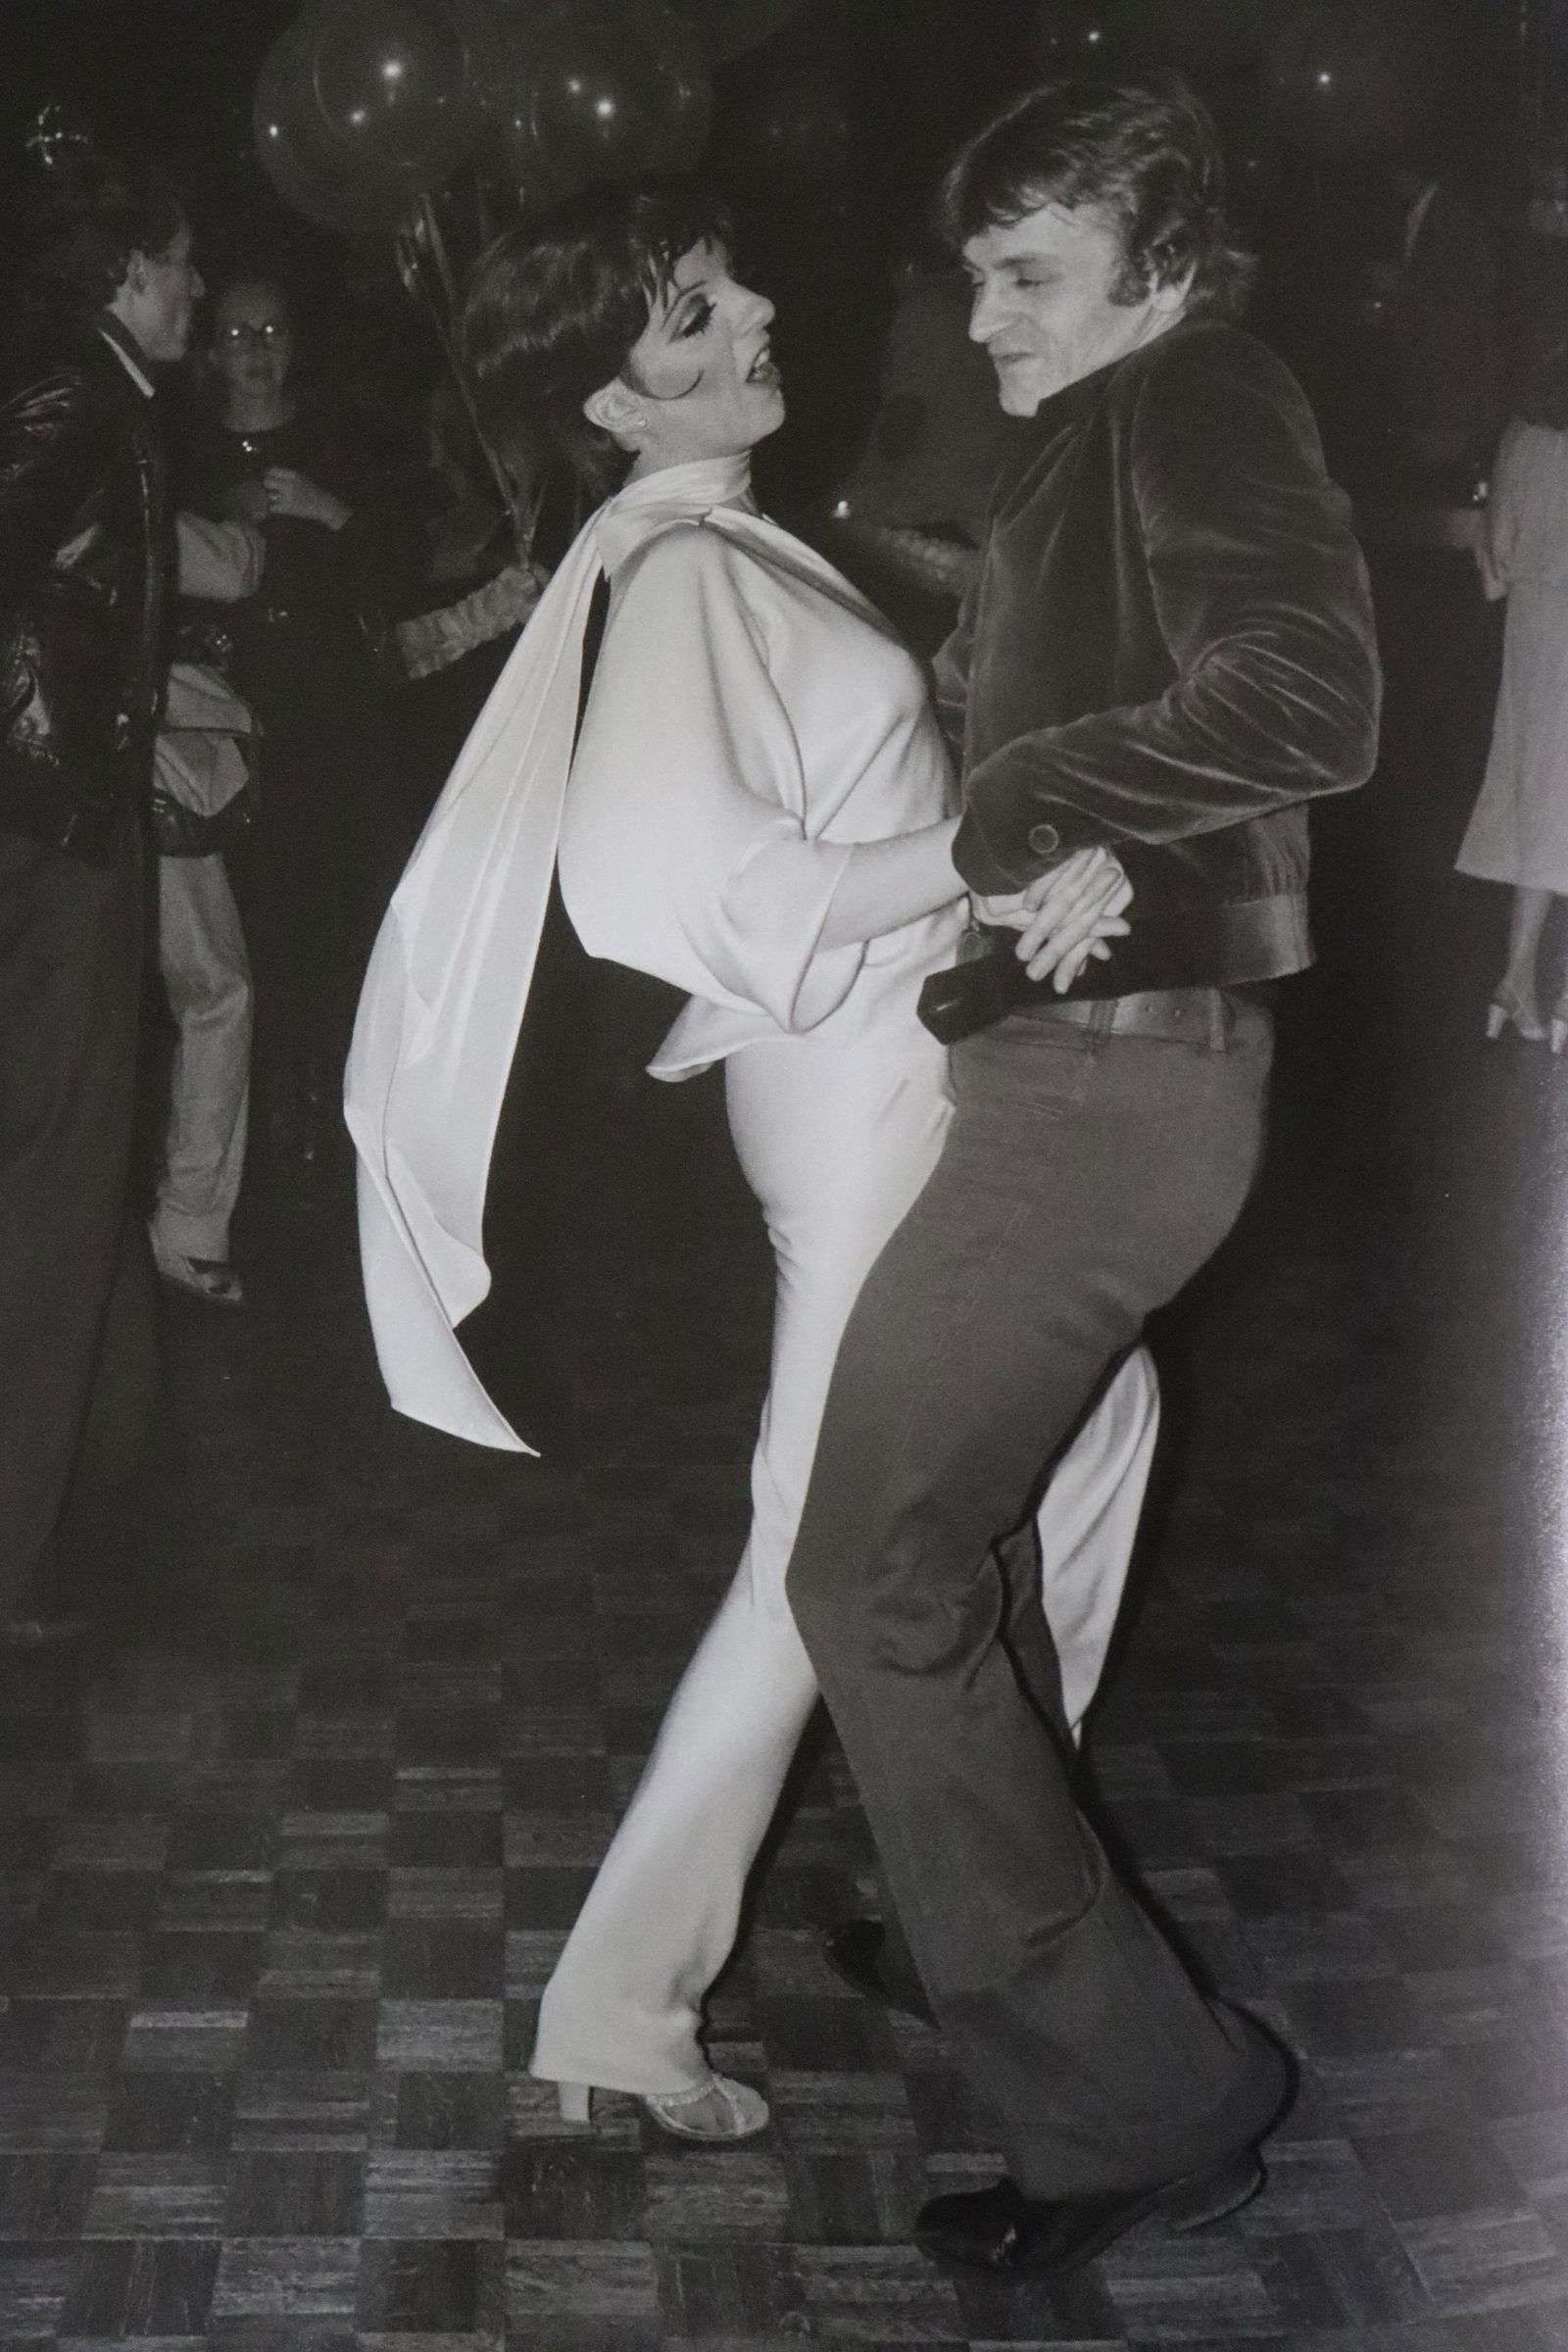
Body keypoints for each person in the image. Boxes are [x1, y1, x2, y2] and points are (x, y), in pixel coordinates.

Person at [346, 180, 1160, 2142]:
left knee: (1094, 1416)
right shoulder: (681, 576)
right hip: (859, 1089)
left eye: (731, 282)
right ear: (610, 406)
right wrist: (981, 850)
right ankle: (625, 2006)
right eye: (695, 314)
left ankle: (967, 1865)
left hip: (885, 1066)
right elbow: (663, 884)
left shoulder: (712, 543)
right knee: (820, 1549)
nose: (759, 309)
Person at [779, 77, 1381, 2278]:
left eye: (1026, 274)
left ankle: (1146, 2100)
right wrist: (1083, 829)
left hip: (1114, 1110)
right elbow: (1178, 729)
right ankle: (990, 1937)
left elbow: (1310, 694)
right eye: (972, 271)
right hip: (1079, 1079)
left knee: (867, 1578)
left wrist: (1032, 792)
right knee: (964, 1564)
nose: (981, 311)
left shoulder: (1203, 388)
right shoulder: (1097, 434)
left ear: (1156, 271)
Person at [0, 158, 202, 1645]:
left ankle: (103, 1496)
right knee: (62, 1180)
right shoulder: (81, 392)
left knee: (81, 1157)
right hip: (54, 829)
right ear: (131, 271)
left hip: (60, 813)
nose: (198, 290)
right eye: (183, 263)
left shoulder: (87, 387)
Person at [175, 270, 418, 1186]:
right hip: (229, 713)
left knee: (347, 905)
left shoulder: (336, 438)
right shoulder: (184, 447)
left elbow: (403, 558)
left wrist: (329, 510)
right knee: (252, 920)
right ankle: (281, 1108)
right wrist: (211, 523)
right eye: (237, 334)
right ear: (209, 351)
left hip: (331, 709)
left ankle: (358, 1107)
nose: (257, 349)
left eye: (272, 330)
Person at [147, 512, 267, 1304]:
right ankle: (188, 1223)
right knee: (217, 992)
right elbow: (228, 568)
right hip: (107, 752)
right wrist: (256, 531)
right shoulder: (83, 422)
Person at [1456, 340, 1568, 1047]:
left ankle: (1516, 976)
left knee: (1539, 805)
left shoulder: (1519, 441)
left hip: (1533, 641)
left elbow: (1491, 571)